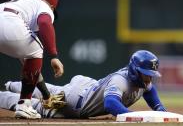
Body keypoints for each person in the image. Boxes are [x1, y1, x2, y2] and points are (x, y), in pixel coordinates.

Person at [0, 50, 166, 118]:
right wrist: (133, 116)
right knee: (36, 106)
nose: (149, 79)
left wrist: (160, 109)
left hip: (86, 87)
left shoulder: (142, 82)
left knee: (51, 91)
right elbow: (110, 104)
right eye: (146, 75)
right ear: (135, 71)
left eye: (151, 75)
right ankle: (4, 94)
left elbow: (150, 91)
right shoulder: (121, 81)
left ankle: (11, 84)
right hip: (75, 103)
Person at [0, 0, 64, 119]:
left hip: (6, 17)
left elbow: (31, 68)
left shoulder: (25, 3)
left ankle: (28, 102)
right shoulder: (44, 6)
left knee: (33, 53)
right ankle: (24, 104)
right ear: (52, 6)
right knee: (37, 49)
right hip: (9, 22)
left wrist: (46, 95)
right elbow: (45, 22)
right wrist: (54, 56)